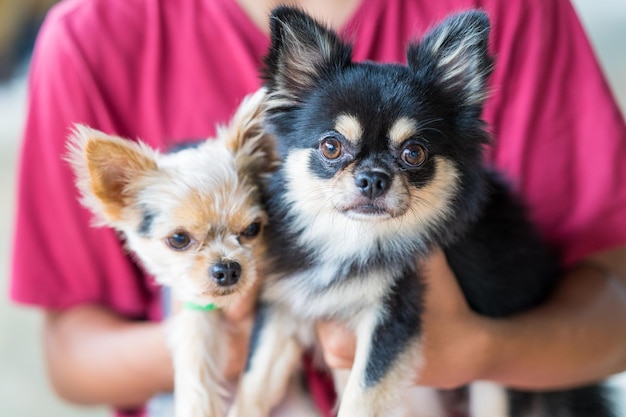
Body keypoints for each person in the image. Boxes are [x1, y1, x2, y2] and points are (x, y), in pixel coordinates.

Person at [9, 0, 626, 416]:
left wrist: (483, 351)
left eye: (410, 156)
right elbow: (70, 358)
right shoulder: (94, 32)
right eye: (333, 150)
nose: (372, 179)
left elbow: (612, 308)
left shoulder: (518, 11)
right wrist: (222, 346)